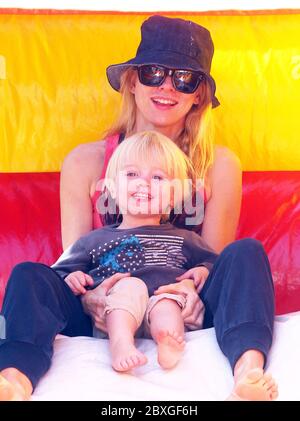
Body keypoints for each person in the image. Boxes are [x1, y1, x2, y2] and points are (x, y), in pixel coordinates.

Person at [0, 16, 278, 401]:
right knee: (31, 275)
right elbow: (75, 260)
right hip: (107, 304)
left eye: (184, 78)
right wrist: (93, 297)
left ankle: (249, 372)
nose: (167, 86)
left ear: (199, 94)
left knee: (246, 253)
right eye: (153, 72)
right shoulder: (84, 161)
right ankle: (15, 378)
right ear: (132, 82)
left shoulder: (220, 165)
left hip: (179, 302)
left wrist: (189, 290)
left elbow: (213, 264)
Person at [53, 131, 217, 372]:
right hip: (114, 313)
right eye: (132, 174)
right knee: (131, 286)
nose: (144, 182)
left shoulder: (186, 239)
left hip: (163, 304)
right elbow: (59, 273)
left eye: (158, 177)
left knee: (168, 300)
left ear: (175, 196)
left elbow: (217, 265)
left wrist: (203, 270)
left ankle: (167, 341)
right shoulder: (94, 240)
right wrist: (72, 278)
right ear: (111, 189)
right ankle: (122, 345)